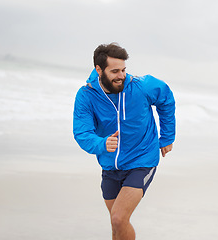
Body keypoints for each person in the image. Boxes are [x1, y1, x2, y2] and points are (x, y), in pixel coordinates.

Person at [73, 43, 176, 240]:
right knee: (116, 224)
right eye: (115, 71)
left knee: (119, 218)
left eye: (123, 70)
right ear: (99, 70)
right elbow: (82, 132)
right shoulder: (86, 96)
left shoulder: (141, 86)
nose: (121, 76)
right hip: (110, 165)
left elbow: (166, 99)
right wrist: (101, 144)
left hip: (142, 160)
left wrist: (167, 137)